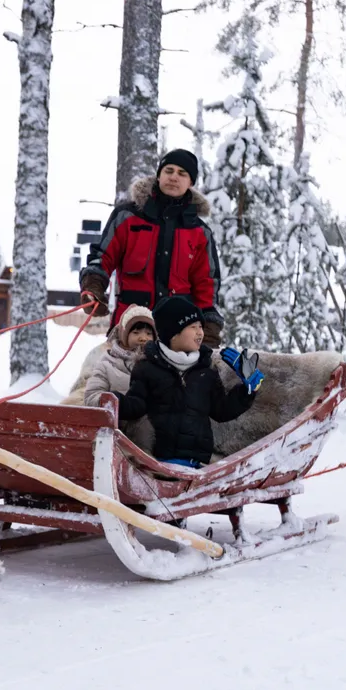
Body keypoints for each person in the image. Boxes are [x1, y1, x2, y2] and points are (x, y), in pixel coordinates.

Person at [80, 149, 226, 348]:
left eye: (182, 173)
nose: (174, 177)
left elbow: (206, 285)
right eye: (169, 170)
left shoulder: (200, 232)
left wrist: (208, 324)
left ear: (191, 182)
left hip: (177, 334)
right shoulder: (127, 217)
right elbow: (102, 256)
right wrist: (93, 285)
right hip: (130, 328)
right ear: (159, 175)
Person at [118, 296, 264, 469]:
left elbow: (221, 410)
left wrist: (247, 390)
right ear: (173, 333)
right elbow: (136, 405)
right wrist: (115, 400)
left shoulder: (206, 369)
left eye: (201, 327)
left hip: (197, 464)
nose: (200, 332)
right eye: (193, 327)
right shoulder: (147, 368)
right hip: (159, 463)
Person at [83, 305, 155, 408]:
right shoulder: (107, 364)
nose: (143, 338)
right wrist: (110, 402)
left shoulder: (159, 363)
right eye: (136, 332)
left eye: (149, 333)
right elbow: (91, 396)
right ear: (124, 335)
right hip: (118, 417)